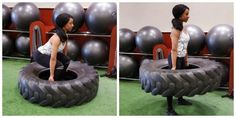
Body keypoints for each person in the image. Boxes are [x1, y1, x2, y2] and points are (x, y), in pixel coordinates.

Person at [33, 13, 74, 81]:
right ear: (64, 25)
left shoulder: (65, 35)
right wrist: (51, 75)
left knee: (67, 61)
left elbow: (64, 50)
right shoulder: (56, 38)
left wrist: (64, 59)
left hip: (49, 54)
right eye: (70, 23)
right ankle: (54, 82)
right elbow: (53, 58)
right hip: (40, 54)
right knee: (59, 66)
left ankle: (61, 76)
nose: (73, 25)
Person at [167, 4, 191, 115]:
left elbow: (185, 46)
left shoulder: (183, 27)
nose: (188, 16)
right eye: (186, 14)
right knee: (171, 83)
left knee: (181, 81)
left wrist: (186, 59)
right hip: (175, 59)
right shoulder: (175, 30)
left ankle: (180, 99)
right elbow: (173, 49)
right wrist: (174, 66)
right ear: (180, 15)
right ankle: (169, 109)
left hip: (182, 57)